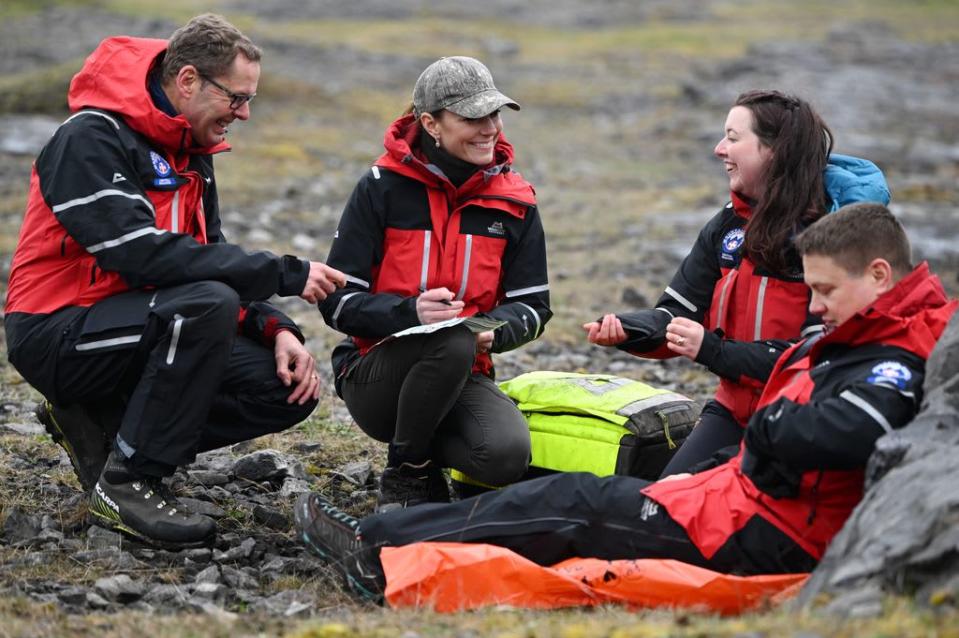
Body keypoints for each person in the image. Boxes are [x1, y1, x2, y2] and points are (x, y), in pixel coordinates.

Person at [295, 203, 956, 602]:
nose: (813, 307)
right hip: (736, 503)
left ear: (877, 275)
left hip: (760, 532)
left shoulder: (893, 356)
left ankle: (374, 552)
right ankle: (394, 545)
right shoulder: (869, 330)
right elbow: (786, 380)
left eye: (823, 291)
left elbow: (847, 430)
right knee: (570, 503)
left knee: (573, 505)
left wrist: (769, 427)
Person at [4, 14, 346, 547]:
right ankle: (130, 480)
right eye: (237, 98)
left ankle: (106, 428)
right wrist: (282, 273)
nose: (246, 113)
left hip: (142, 324)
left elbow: (207, 255)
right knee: (203, 304)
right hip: (56, 332)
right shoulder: (89, 139)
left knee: (285, 390)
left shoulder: (190, 154)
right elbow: (141, 257)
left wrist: (276, 328)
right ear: (188, 80)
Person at [583, 90, 890, 477]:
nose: (718, 149)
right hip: (733, 408)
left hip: (801, 416)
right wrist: (629, 330)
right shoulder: (730, 223)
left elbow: (813, 356)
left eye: (732, 137)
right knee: (665, 501)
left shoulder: (831, 232)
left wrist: (710, 349)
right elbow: (678, 313)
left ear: (774, 150)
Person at [317, 56, 551, 512]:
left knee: (504, 455)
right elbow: (337, 302)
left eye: (495, 115)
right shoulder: (380, 189)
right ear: (431, 123)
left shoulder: (516, 201)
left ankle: (424, 446)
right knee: (451, 338)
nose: (490, 129)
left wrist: (495, 330)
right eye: (472, 117)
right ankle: (407, 474)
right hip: (375, 375)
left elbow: (534, 307)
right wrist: (410, 314)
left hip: (464, 370)